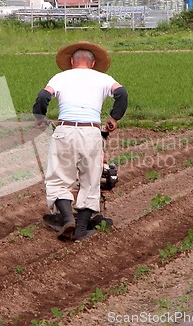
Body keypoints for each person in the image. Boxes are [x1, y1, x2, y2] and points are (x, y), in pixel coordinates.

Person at [32, 41, 128, 241]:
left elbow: (43, 96)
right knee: (90, 180)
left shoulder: (60, 77)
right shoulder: (103, 78)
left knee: (58, 178)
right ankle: (82, 229)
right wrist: (113, 119)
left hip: (64, 130)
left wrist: (40, 118)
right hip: (90, 133)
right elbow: (122, 94)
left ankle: (67, 218)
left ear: (71, 61)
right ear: (93, 64)